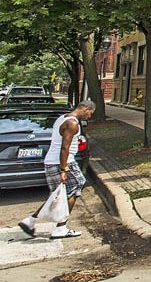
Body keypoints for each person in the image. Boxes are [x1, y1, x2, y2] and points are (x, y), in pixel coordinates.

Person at [18, 100, 96, 239]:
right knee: (76, 186)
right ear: (86, 108)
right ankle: (60, 227)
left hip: (53, 162)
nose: (89, 116)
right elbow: (64, 148)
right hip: (62, 162)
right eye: (90, 113)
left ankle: (30, 221)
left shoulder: (63, 118)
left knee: (58, 195)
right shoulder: (72, 123)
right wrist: (63, 169)